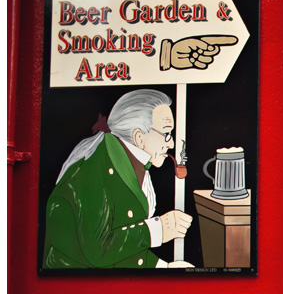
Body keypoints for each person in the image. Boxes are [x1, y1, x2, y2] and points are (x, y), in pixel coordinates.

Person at [42, 89, 192, 269]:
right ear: (138, 137)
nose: (171, 143)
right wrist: (158, 230)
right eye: (166, 134)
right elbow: (100, 250)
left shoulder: (131, 163)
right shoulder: (92, 171)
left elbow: (124, 247)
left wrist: (162, 267)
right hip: (74, 286)